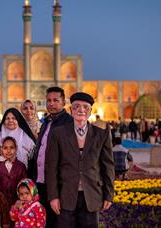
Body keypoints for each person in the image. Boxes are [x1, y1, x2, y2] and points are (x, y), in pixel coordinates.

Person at [45, 92, 114, 228]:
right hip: (66, 195)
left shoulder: (101, 134)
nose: (81, 110)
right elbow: (51, 167)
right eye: (76, 106)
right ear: (71, 110)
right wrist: (53, 196)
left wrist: (109, 195)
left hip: (91, 195)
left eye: (85, 107)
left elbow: (108, 166)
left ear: (90, 111)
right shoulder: (58, 134)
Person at [27, 86, 73, 228]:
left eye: (55, 100)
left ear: (64, 102)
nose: (51, 103)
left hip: (58, 185)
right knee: (44, 221)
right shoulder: (46, 122)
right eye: (48, 100)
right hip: (42, 182)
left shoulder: (69, 123)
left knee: (58, 221)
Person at [0, 136, 27, 207]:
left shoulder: (21, 166)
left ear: (16, 149)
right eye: (5, 148)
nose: (8, 151)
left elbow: (24, 185)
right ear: (1, 149)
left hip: (16, 204)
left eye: (11, 148)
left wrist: (21, 200)